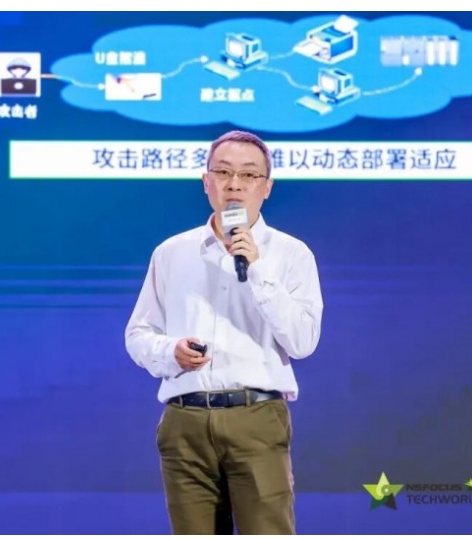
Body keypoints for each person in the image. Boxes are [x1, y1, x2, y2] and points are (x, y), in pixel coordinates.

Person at [124, 130, 324, 535]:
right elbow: (139, 333)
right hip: (185, 422)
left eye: (249, 175)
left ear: (266, 188)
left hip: (256, 418)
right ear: (206, 182)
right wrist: (170, 351)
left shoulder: (291, 253)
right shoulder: (171, 253)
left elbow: (303, 342)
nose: (234, 184)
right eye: (223, 172)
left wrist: (258, 271)